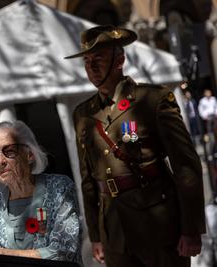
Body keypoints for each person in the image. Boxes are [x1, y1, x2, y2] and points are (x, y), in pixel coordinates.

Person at [64, 25, 205, 266]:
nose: (91, 66)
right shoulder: (83, 114)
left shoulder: (153, 100)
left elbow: (186, 165)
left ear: (120, 60)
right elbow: (88, 180)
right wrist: (96, 236)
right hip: (114, 231)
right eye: (87, 60)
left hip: (159, 225)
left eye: (99, 58)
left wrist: (191, 229)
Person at [0, 120, 82, 263]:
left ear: (29, 154)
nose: (0, 161)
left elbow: (64, 252)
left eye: (9, 151)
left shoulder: (59, 187)